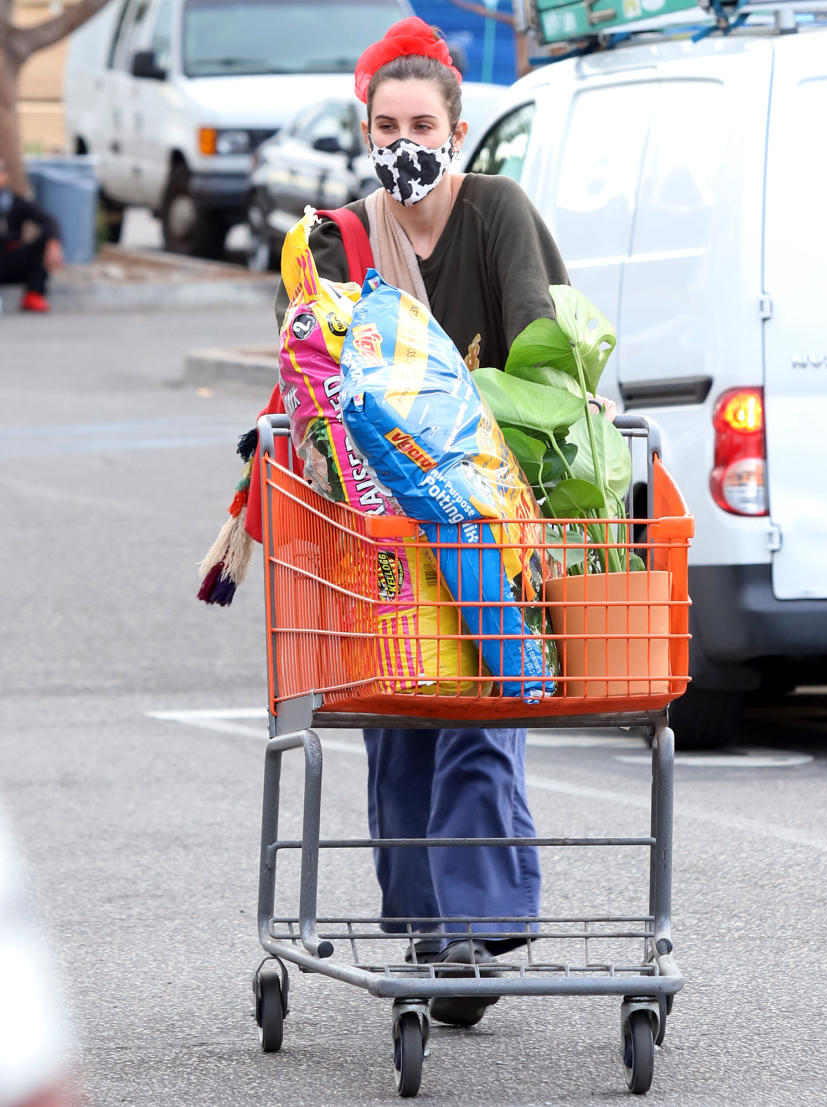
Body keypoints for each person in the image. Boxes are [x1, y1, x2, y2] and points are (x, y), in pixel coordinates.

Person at [272, 17, 570, 1028]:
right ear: (365, 131)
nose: (405, 140)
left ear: (458, 126)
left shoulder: (498, 214)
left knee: (482, 700)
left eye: (422, 122)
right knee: (400, 714)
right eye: (386, 123)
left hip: (484, 512)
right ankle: (427, 926)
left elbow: (541, 356)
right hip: (381, 528)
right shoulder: (343, 239)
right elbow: (313, 368)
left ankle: (476, 925)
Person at [0, 155, 64, 314]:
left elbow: (48, 220)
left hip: (9, 262)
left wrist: (53, 243)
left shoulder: (15, 203)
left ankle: (33, 294)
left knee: (45, 241)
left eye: (1, 171)